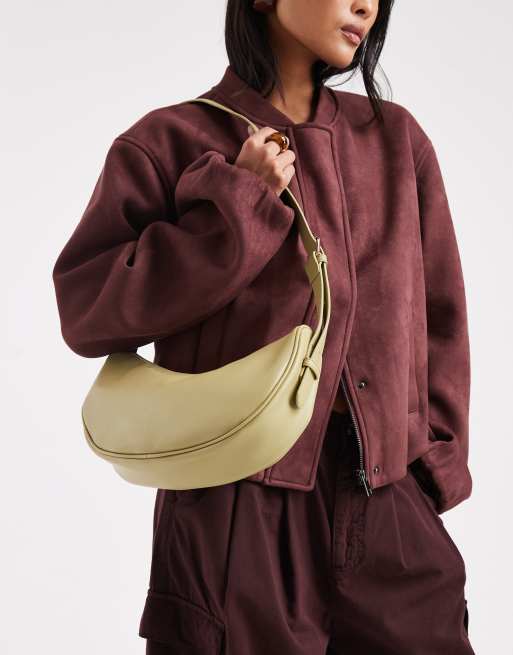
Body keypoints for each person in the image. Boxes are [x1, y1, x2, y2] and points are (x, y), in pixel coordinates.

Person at [52, 0, 475, 653]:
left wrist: (432, 469)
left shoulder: (396, 141)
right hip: (235, 506)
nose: (366, 5)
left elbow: (440, 314)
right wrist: (237, 206)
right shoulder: (169, 141)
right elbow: (87, 312)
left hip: (388, 498)